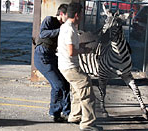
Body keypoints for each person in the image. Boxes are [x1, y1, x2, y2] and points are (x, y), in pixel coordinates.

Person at [57, 2, 103, 131]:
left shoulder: (66, 26)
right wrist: (83, 51)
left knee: (78, 91)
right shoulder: (71, 29)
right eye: (82, 14)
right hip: (70, 66)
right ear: (77, 15)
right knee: (87, 91)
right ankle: (88, 124)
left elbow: (69, 47)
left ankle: (75, 116)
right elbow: (71, 52)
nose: (82, 16)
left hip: (65, 65)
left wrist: (81, 47)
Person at [34, 4, 70, 122]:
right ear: (61, 14)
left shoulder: (65, 26)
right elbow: (43, 34)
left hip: (53, 56)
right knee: (58, 85)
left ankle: (67, 112)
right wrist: (60, 30)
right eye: (67, 16)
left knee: (65, 83)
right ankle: (54, 113)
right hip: (42, 56)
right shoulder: (50, 20)